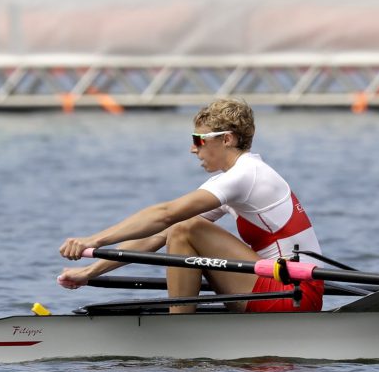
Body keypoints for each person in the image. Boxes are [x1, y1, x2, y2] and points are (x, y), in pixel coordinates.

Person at [57, 98, 323, 313]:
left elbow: (166, 215)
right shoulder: (233, 179)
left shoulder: (247, 174)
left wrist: (92, 241)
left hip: (295, 294)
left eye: (199, 140)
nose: (193, 149)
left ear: (227, 139)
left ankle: (180, 330)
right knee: (181, 227)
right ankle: (182, 325)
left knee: (186, 227)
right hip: (281, 287)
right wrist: (90, 272)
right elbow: (159, 233)